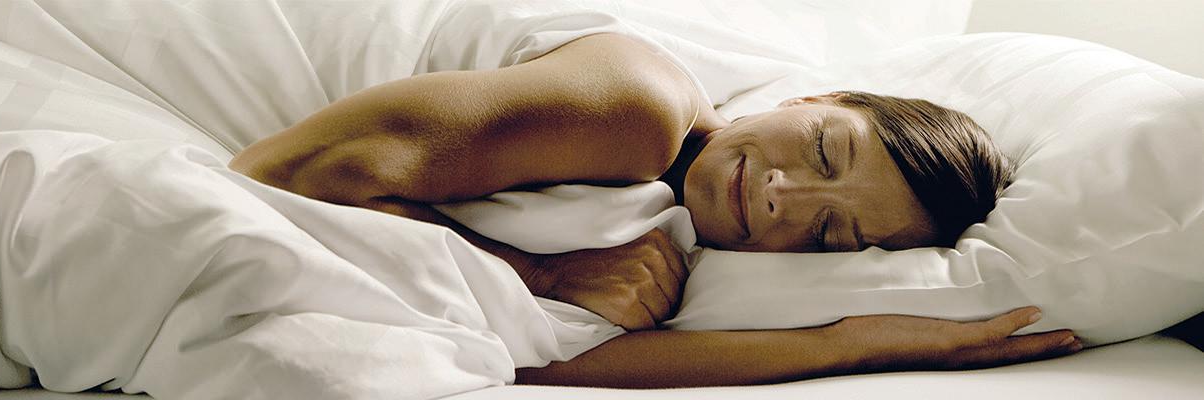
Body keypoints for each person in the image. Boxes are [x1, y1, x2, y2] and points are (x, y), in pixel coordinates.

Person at [230, 33, 1080, 387]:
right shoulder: (640, 111)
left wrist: (849, 344)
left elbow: (548, 370)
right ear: (819, 97)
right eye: (825, 149)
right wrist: (541, 275)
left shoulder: (670, 228)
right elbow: (296, 172)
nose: (782, 197)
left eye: (827, 233)